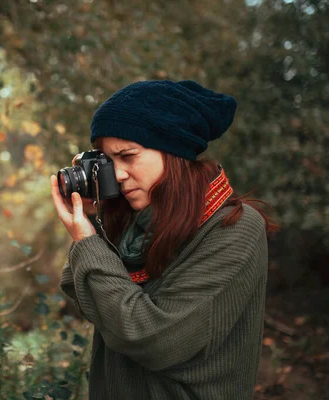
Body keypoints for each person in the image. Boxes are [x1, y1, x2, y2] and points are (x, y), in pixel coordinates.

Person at [50, 80, 279, 399]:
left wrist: (89, 245)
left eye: (128, 156)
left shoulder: (233, 229)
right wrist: (91, 220)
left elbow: (153, 339)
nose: (117, 175)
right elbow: (86, 297)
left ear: (173, 151)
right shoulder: (134, 220)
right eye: (108, 161)